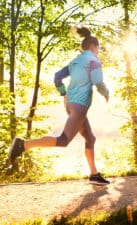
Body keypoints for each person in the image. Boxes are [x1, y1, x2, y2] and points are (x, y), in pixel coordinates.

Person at [8, 26, 110, 185]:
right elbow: (98, 82)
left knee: (90, 138)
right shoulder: (93, 60)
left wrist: (64, 94)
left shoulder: (75, 62)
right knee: (63, 140)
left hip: (71, 104)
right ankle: (23, 145)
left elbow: (57, 77)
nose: (99, 51)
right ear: (93, 46)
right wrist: (106, 93)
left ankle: (94, 174)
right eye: (99, 48)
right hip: (79, 106)